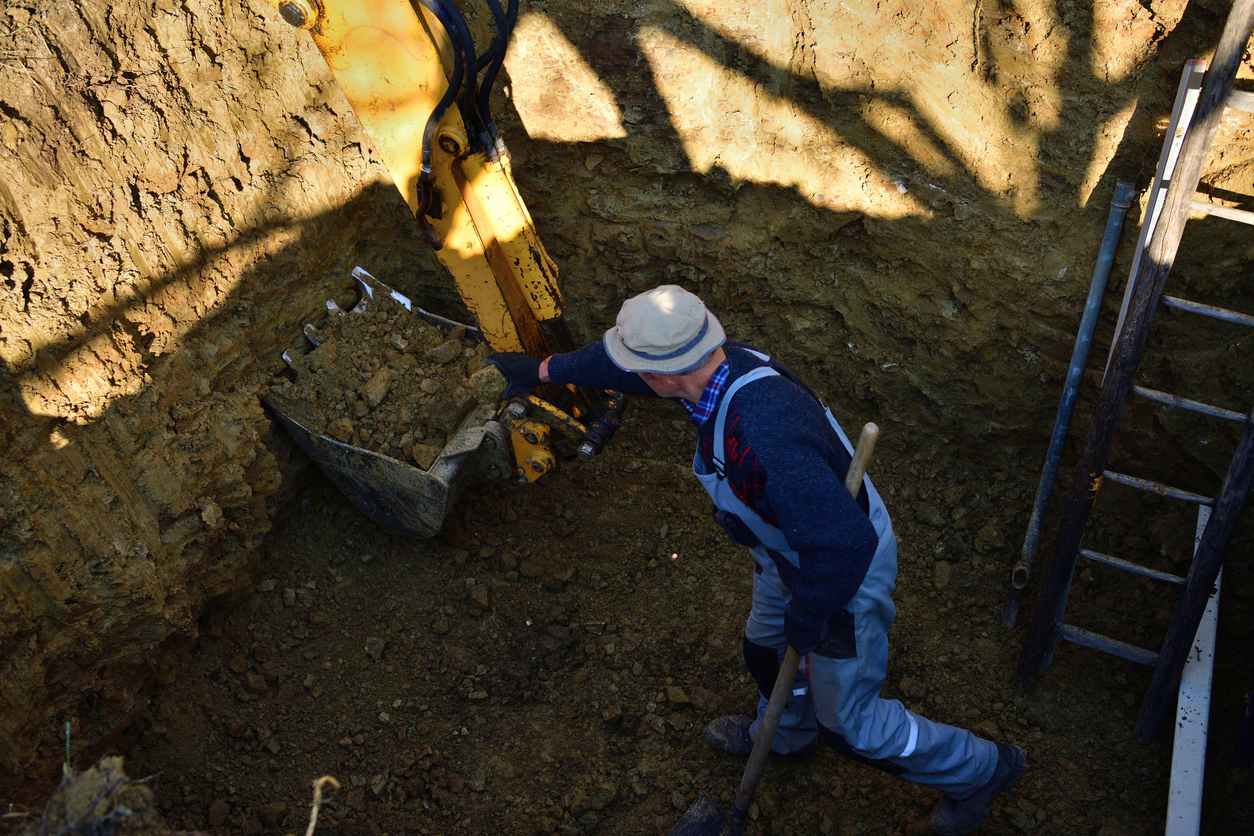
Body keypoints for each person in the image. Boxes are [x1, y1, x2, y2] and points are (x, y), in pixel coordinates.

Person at [486, 285, 1025, 835]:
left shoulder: (763, 436)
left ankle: (981, 769)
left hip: (838, 572)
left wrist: (811, 617)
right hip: (790, 552)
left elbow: (846, 543)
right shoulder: (719, 365)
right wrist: (545, 369)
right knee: (766, 649)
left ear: (666, 375)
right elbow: (625, 366)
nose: (632, 375)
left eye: (641, 370)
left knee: (853, 728)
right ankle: (788, 732)